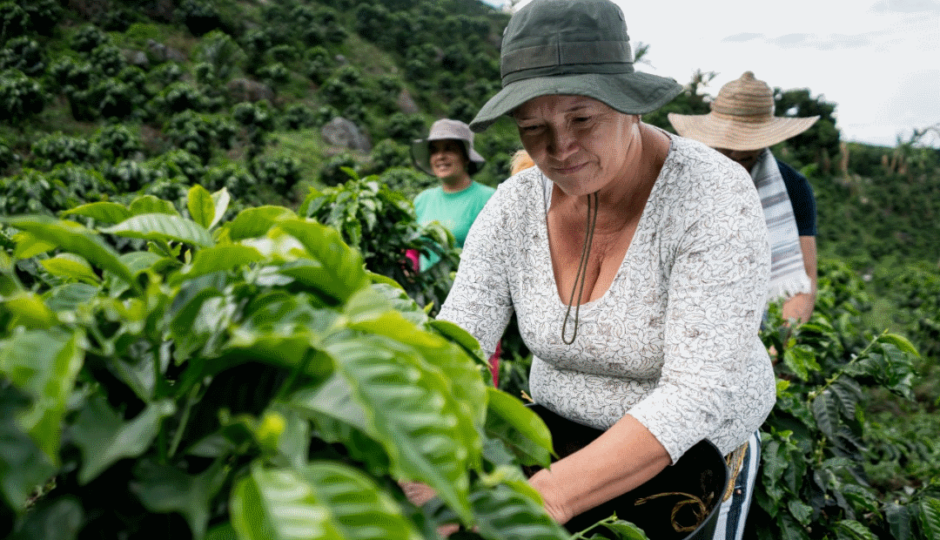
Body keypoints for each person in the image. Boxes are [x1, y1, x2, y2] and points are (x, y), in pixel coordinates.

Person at [432, 1, 777, 538]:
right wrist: (421, 446)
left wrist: (540, 500)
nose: (559, 148)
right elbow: (461, 333)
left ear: (631, 107)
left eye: (582, 119)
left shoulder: (711, 197)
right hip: (553, 442)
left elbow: (695, 392)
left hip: (689, 464)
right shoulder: (515, 205)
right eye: (532, 127)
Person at [668, 72, 819, 324]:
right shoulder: (684, 175)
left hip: (757, 321)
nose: (737, 151)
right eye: (729, 143)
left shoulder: (793, 187)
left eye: (747, 144)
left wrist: (777, 343)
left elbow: (803, 279)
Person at [410, 118, 495, 271]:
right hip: (424, 293)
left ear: (466, 157)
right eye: (434, 150)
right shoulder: (422, 200)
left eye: (449, 149)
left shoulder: (488, 199)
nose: (440, 156)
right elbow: (412, 248)